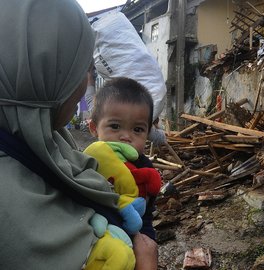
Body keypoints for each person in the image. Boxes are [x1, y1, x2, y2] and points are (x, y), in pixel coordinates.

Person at [0, 0, 157, 269]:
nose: (86, 82)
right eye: (80, 67)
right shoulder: (9, 205)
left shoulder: (50, 142)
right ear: (41, 71)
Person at [85, 77, 162, 237]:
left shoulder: (145, 168)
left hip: (133, 232)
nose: (126, 136)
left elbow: (146, 215)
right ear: (94, 128)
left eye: (138, 129)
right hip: (94, 232)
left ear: (147, 133)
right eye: (115, 126)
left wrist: (147, 240)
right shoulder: (89, 161)